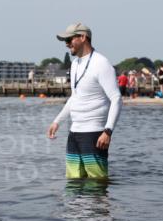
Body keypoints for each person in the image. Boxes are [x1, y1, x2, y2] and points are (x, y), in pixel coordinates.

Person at [47, 23, 122, 180]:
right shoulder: (74, 64)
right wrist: (57, 121)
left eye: (69, 40)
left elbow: (116, 98)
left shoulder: (101, 63)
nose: (67, 44)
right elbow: (75, 97)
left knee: (97, 185)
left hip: (94, 134)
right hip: (74, 134)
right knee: (73, 185)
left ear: (83, 37)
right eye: (65, 41)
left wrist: (108, 131)